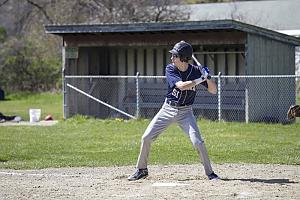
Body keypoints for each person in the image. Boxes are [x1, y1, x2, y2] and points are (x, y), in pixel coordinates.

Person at [128, 41, 219, 181]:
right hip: (168, 109)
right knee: (146, 138)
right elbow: (181, 86)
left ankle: (210, 173)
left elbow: (214, 91)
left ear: (183, 57)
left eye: (175, 55)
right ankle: (141, 169)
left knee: (198, 142)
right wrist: (201, 79)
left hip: (186, 112)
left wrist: (208, 78)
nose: (172, 58)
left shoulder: (195, 71)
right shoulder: (171, 69)